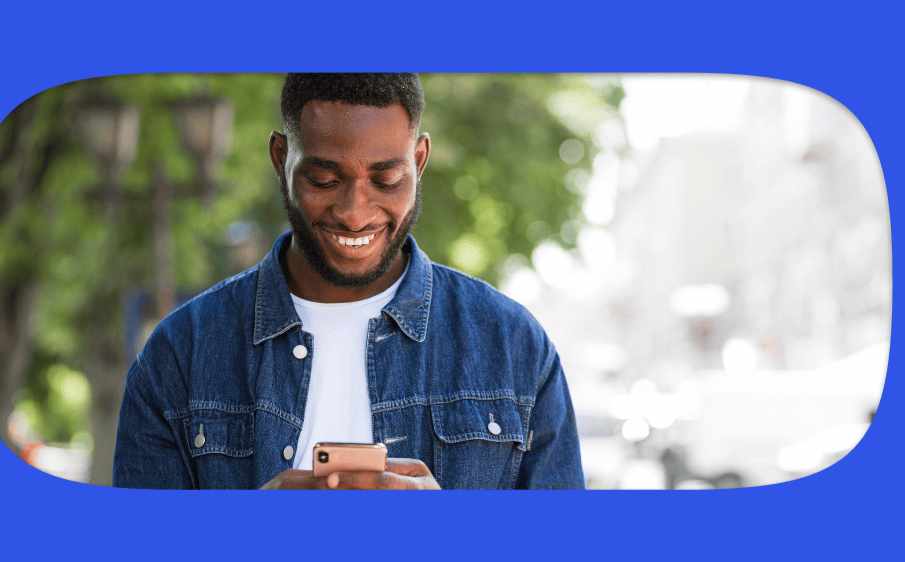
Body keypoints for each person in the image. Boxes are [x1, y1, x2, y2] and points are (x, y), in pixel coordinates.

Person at [112, 73, 584, 489]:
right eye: (323, 179)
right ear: (281, 159)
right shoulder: (179, 354)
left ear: (419, 162)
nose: (355, 214)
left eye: (386, 179)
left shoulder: (515, 347)